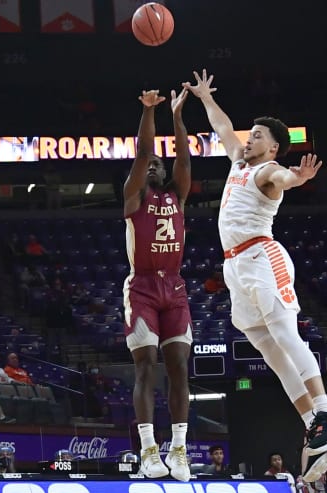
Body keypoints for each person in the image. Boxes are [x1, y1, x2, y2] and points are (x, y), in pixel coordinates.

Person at [186, 69, 327, 478]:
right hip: (235, 267)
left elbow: (284, 178)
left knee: (284, 336)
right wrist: (206, 98)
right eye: (252, 133)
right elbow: (223, 128)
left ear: (274, 147)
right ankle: (313, 424)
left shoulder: (267, 172)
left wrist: (298, 177)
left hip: (263, 258)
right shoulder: (239, 163)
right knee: (270, 352)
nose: (249, 138)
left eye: (258, 135)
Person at [122, 87, 192, 482]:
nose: (154, 166)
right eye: (150, 164)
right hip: (143, 288)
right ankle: (149, 450)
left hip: (175, 289)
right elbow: (143, 153)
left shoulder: (177, 196)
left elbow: (182, 157)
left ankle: (178, 450)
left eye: (158, 165)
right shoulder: (133, 199)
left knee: (179, 366)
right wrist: (149, 111)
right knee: (146, 367)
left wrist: (178, 118)